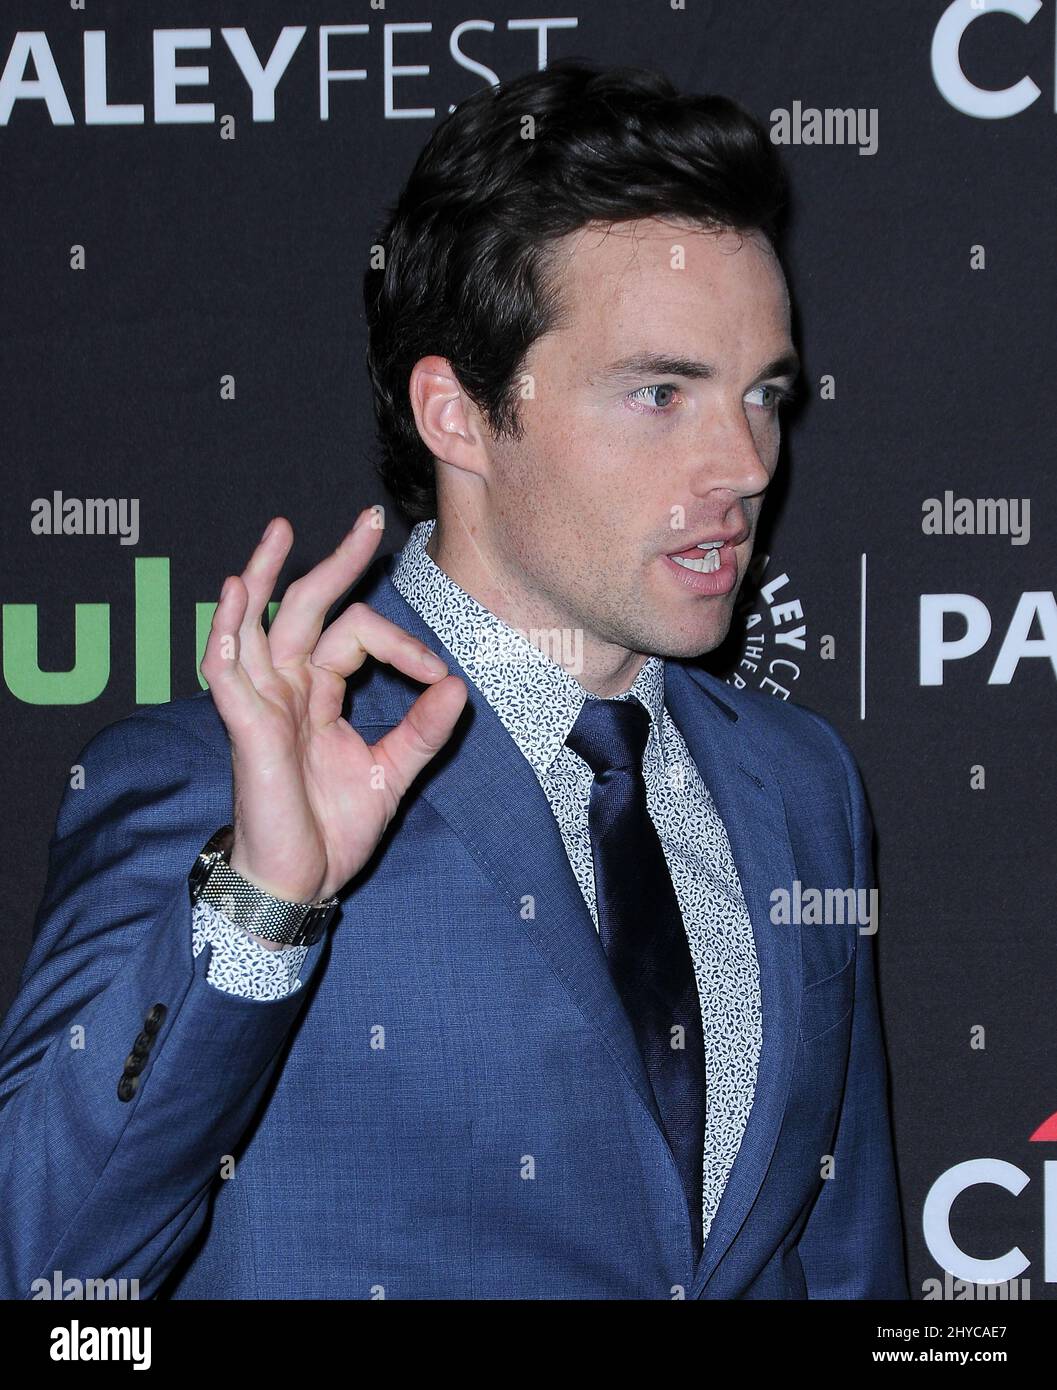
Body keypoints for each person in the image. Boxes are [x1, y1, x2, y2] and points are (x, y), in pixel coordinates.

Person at [0, 59, 907, 1300]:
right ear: (459, 415)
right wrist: (263, 906)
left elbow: (840, 1259)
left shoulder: (800, 787)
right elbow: (44, 1272)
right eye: (660, 393)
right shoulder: (215, 777)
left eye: (763, 394)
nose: (747, 463)